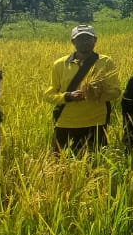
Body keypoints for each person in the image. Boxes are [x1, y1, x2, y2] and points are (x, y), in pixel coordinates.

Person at [45, 25, 121, 153]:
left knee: (96, 159)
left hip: (96, 122)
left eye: (88, 38)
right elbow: (49, 94)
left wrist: (97, 94)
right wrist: (68, 96)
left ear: (95, 40)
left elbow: (116, 91)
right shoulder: (60, 64)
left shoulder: (106, 62)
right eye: (80, 39)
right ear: (73, 42)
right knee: (61, 160)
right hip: (66, 122)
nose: (84, 42)